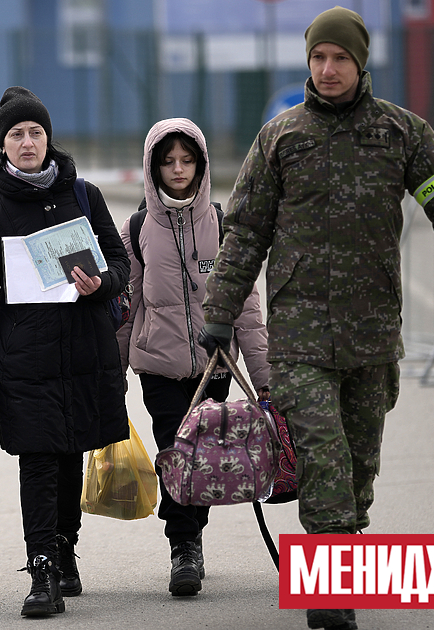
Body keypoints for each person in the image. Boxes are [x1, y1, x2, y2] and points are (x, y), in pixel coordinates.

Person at [199, 8, 434, 630]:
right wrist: (220, 313)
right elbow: (245, 231)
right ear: (308, 63)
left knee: (357, 468)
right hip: (299, 336)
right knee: (323, 459)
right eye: (318, 58)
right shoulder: (280, 137)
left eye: (340, 59)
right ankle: (330, 597)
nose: (328, 70)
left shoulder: (402, 133)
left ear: (361, 64)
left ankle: (342, 564)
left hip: (372, 334)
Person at [0, 86, 130, 617]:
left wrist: (98, 283)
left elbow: (121, 266)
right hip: (23, 357)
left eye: (35, 132)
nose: (27, 142)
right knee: (36, 461)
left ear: (49, 139)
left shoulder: (85, 196)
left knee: (70, 454)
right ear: (3, 146)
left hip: (82, 350)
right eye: (16, 134)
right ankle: (42, 568)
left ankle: (65, 549)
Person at [116, 118, 270, 597]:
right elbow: (128, 306)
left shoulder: (223, 226)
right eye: (168, 161)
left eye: (187, 160)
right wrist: (111, 374)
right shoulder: (138, 228)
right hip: (157, 365)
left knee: (204, 455)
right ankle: (182, 546)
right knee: (173, 450)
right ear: (153, 167)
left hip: (214, 365)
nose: (178, 169)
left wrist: (264, 378)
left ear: (201, 165)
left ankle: (193, 533)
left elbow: (246, 307)